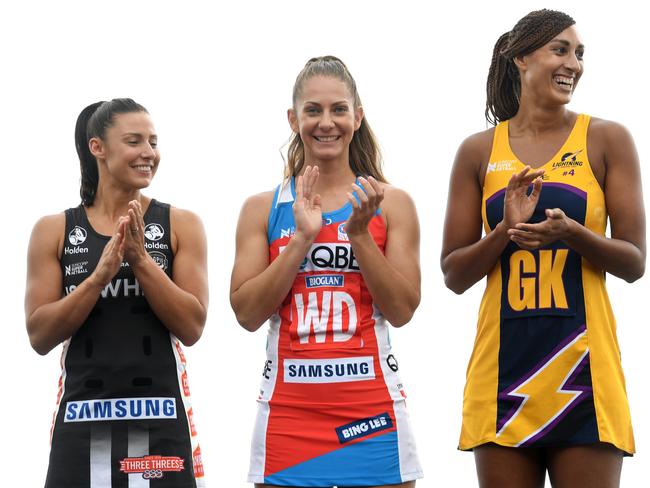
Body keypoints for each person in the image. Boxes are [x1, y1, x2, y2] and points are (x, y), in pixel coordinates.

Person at [441, 9, 646, 488]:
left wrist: (572, 232)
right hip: (502, 376)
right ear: (521, 59)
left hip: (586, 378)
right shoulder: (478, 151)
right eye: (560, 49)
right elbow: (453, 274)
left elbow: (635, 261)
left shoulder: (607, 139)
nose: (573, 63)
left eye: (579, 53)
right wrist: (503, 232)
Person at [230, 56, 423, 488]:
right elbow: (246, 313)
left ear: (357, 115)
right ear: (293, 118)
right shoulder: (263, 207)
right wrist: (300, 239)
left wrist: (359, 234)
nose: (326, 122)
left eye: (338, 109)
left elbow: (403, 308)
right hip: (288, 414)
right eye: (312, 110)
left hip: (372, 409)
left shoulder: (391, 203)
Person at [25, 99, 208, 487]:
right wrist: (97, 278)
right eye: (134, 141)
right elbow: (39, 335)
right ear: (98, 147)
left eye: (153, 142)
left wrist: (140, 261)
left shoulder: (181, 224)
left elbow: (192, 327)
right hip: (80, 420)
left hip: (160, 417)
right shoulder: (53, 229)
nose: (148, 153)